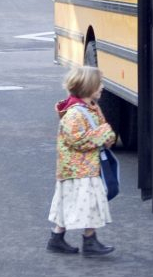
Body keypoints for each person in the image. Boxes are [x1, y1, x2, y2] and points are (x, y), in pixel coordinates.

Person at [48, 66, 116, 257]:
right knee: (90, 202)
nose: (102, 87)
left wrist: (106, 135)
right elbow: (77, 139)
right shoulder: (76, 113)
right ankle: (90, 241)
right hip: (80, 168)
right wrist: (104, 134)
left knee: (70, 201)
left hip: (76, 167)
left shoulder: (89, 108)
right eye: (99, 84)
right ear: (88, 87)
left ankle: (57, 237)